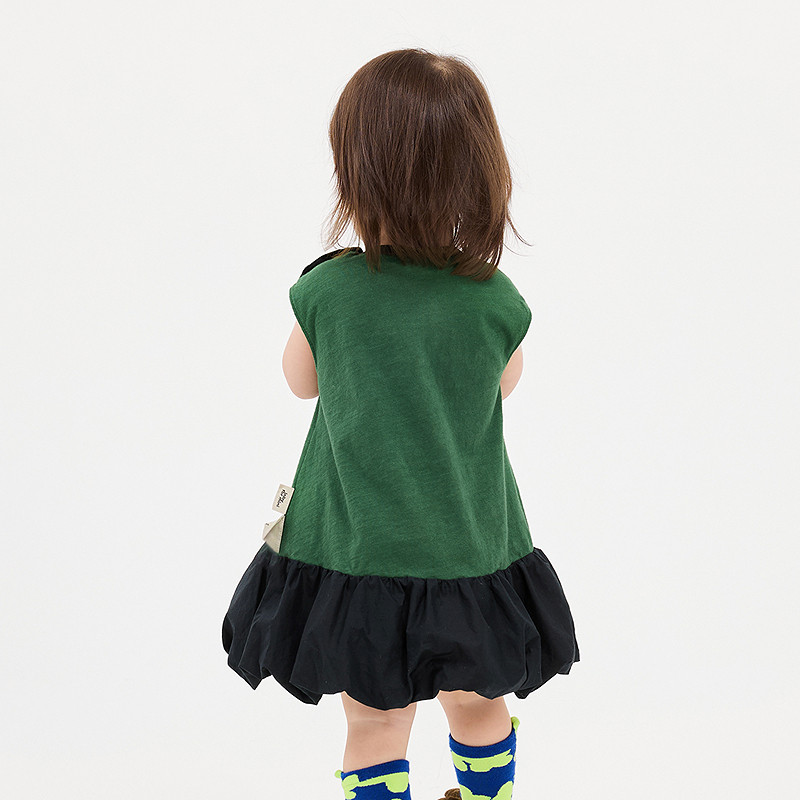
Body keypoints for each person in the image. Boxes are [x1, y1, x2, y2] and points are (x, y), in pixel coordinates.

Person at [221, 48, 580, 800]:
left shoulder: (330, 292)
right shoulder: (492, 298)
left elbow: (299, 381)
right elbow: (505, 383)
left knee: (375, 721)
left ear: (356, 172)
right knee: (478, 703)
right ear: (478, 176)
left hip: (360, 552)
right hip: (469, 547)